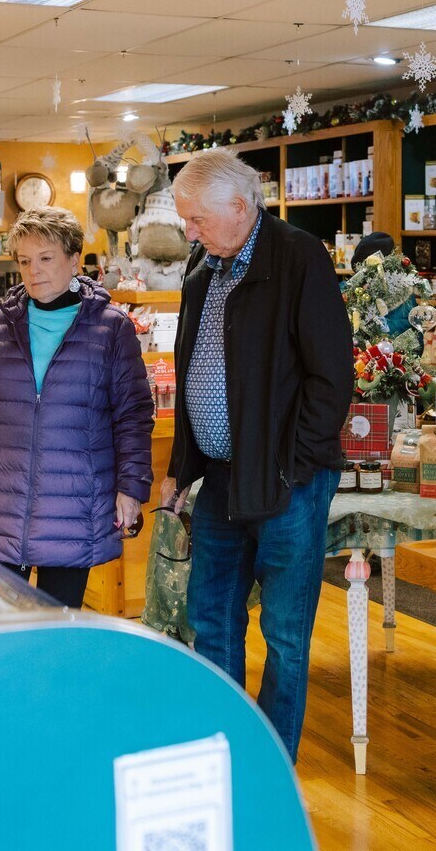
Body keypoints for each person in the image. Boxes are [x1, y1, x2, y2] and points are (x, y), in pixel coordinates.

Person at [160, 149, 354, 759]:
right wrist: (180, 470)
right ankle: (226, 756)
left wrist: (295, 464)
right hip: (219, 483)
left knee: (285, 635)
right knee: (212, 620)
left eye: (196, 219)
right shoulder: (205, 269)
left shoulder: (297, 258)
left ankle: (271, 767)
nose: (188, 231)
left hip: (283, 484)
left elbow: (332, 376)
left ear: (239, 207)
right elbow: (194, 371)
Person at [0, 206, 152, 608]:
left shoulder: (112, 329)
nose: (34, 271)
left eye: (46, 258)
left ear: (74, 260)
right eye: (25, 261)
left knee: (57, 637)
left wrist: (131, 487)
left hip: (74, 508)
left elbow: (132, 418)